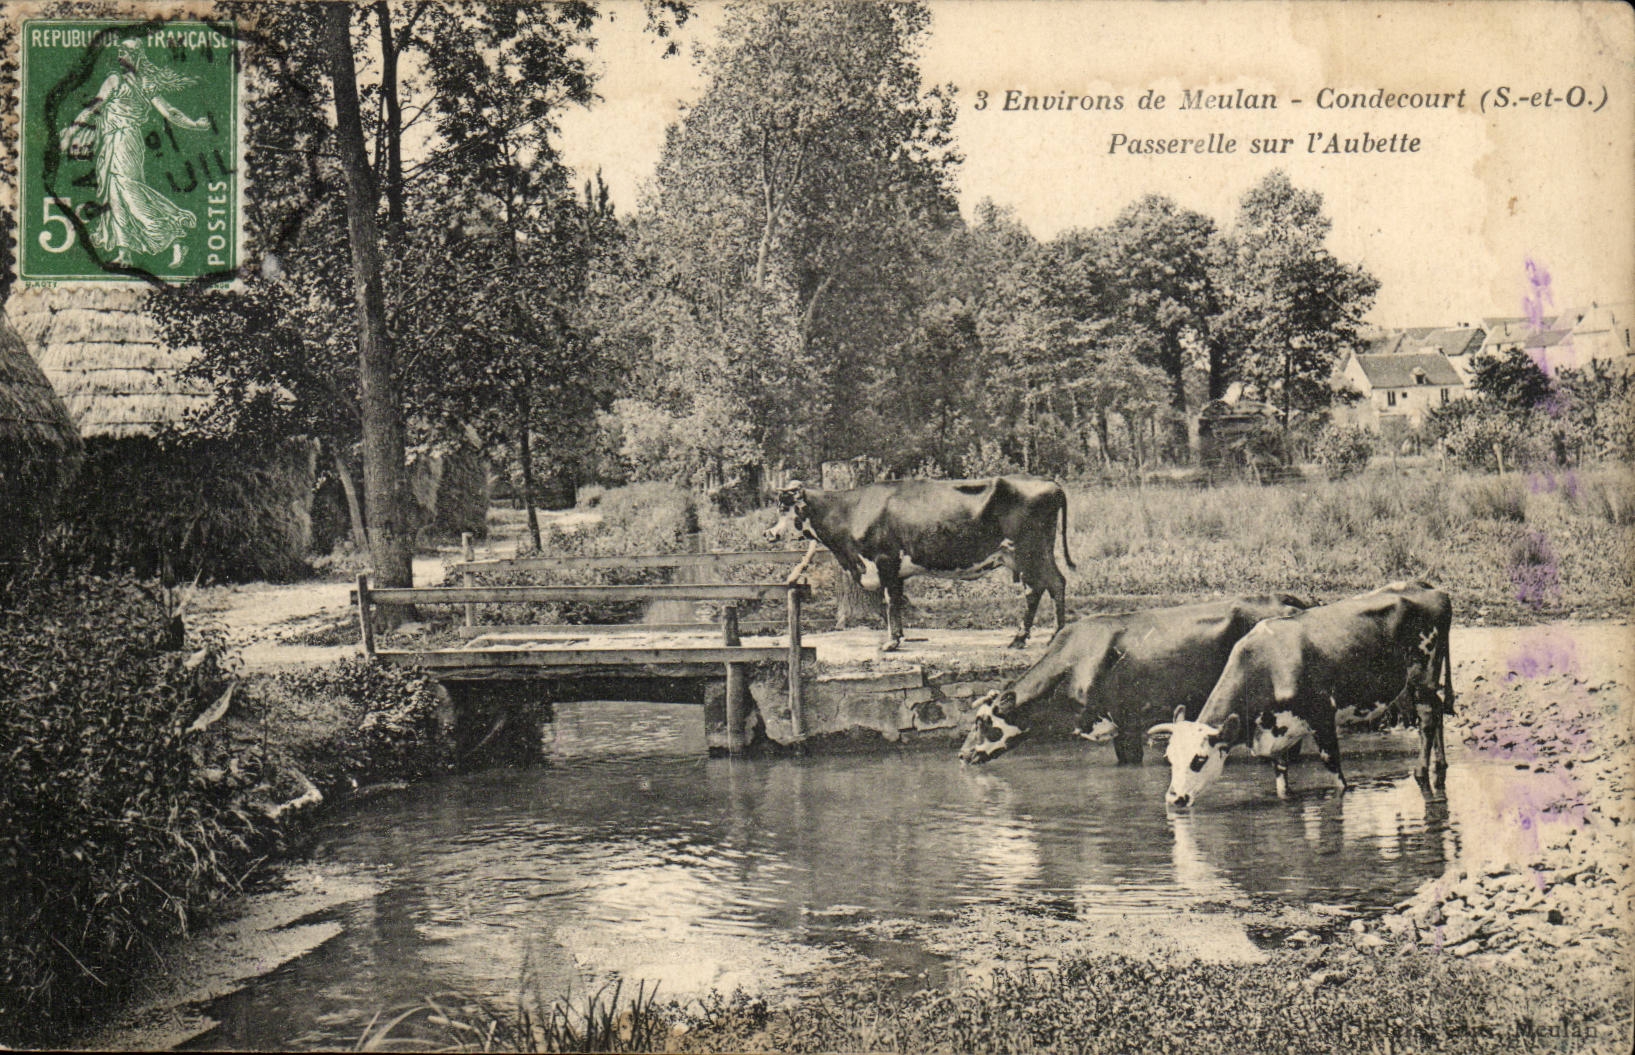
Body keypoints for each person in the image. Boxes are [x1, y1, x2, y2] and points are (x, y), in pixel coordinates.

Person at [59, 39, 210, 268]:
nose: (121, 54)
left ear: (137, 55)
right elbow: (93, 108)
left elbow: (170, 112)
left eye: (126, 51)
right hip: (110, 143)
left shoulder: (141, 83)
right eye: (120, 51)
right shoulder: (115, 80)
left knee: (130, 191)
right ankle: (125, 252)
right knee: (114, 196)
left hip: (127, 141)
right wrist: (74, 128)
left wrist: (195, 125)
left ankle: (174, 236)